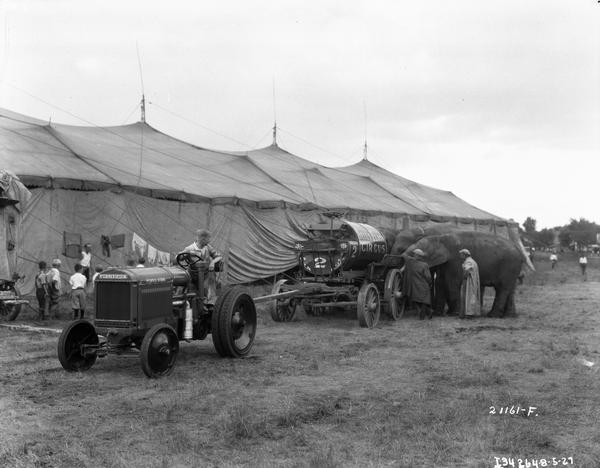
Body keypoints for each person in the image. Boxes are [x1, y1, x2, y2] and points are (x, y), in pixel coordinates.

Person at [182, 229, 223, 304]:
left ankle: (208, 304)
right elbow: (179, 257)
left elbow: (219, 256)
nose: (209, 241)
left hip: (205, 275)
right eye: (208, 239)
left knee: (206, 289)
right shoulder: (189, 249)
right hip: (193, 275)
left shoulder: (208, 247)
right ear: (203, 239)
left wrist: (212, 262)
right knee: (190, 291)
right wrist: (181, 256)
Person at [401, 248, 432, 320]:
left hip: (415, 286)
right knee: (423, 301)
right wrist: (430, 283)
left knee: (417, 300)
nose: (414, 255)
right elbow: (428, 277)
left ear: (417, 256)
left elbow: (404, 255)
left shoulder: (411, 262)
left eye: (415, 254)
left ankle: (424, 315)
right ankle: (427, 313)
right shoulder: (424, 265)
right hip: (423, 285)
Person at [459, 249, 481, 319]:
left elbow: (467, 270)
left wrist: (464, 276)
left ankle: (469, 314)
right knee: (470, 296)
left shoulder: (469, 261)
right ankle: (468, 313)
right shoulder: (472, 261)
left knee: (469, 297)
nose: (460, 256)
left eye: (461, 254)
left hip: (469, 282)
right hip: (472, 281)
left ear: (465, 255)